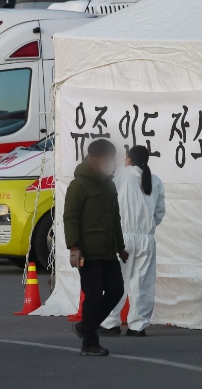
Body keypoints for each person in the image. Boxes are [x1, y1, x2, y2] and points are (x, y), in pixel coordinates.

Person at [64, 139, 128, 356]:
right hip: (88, 251)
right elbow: (70, 217)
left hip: (109, 250)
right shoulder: (79, 185)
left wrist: (121, 247)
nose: (109, 163)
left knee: (116, 290)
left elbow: (115, 220)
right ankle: (89, 343)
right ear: (93, 159)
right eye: (105, 159)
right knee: (93, 295)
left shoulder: (109, 184)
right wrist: (74, 247)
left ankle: (85, 326)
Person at [98, 146, 165, 337]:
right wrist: (148, 228)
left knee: (117, 281)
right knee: (142, 282)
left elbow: (108, 201)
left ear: (128, 159)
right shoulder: (156, 181)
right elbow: (159, 213)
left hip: (123, 237)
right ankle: (138, 325)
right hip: (146, 238)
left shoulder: (120, 175)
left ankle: (111, 322)